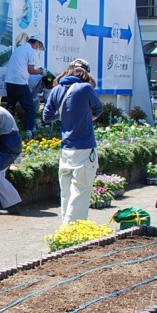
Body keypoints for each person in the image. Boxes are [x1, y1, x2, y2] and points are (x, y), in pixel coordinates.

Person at [42, 60, 104, 225]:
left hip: (66, 149)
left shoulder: (56, 90)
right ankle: (71, 229)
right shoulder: (85, 88)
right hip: (84, 146)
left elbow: (46, 117)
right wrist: (86, 118)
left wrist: (64, 116)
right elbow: (99, 109)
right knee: (81, 190)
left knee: (66, 192)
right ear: (85, 73)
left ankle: (66, 225)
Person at [3, 35, 45, 137]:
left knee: (10, 107)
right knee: (30, 108)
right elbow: (31, 70)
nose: (38, 49)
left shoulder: (19, 49)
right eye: (38, 46)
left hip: (9, 82)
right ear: (36, 43)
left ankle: (6, 131)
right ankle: (28, 131)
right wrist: (41, 72)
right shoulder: (31, 51)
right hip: (20, 83)